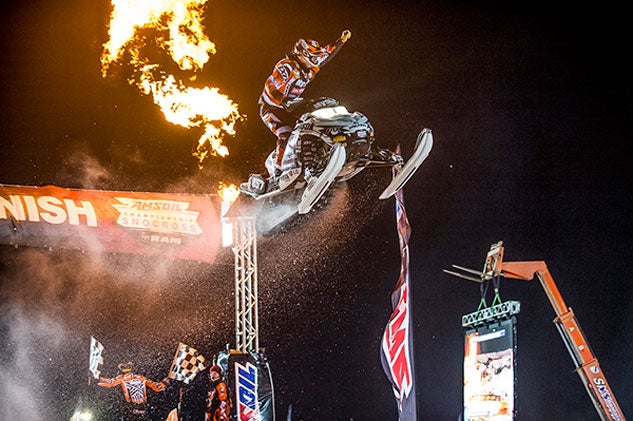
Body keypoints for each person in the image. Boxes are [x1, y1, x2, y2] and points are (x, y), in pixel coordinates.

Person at [241, 29, 352, 196]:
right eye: (311, 58)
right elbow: (279, 85)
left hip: (291, 106)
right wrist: (287, 100)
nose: (314, 62)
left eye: (315, 58)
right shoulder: (286, 66)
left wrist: (341, 41)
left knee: (311, 125)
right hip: (272, 107)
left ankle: (315, 158)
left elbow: (327, 55)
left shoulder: (311, 64)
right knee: (285, 133)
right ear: (300, 55)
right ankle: (277, 172)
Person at [97, 362, 169, 420]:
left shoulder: (125, 378)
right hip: (135, 406)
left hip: (135, 406)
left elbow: (111, 383)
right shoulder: (140, 377)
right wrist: (164, 383)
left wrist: (98, 379)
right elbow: (155, 386)